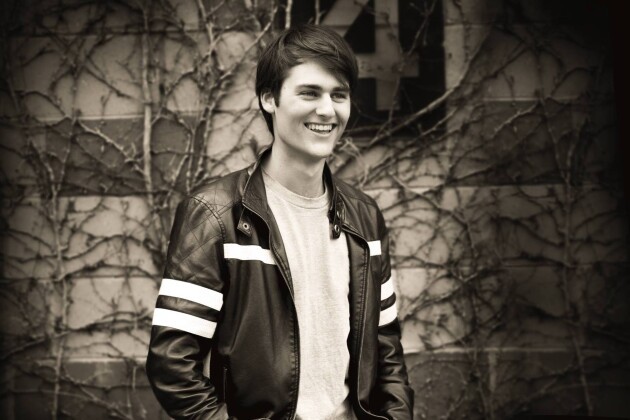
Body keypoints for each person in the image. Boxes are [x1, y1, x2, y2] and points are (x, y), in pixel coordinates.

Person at [146, 23, 413, 420]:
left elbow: (386, 346)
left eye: (339, 94)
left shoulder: (365, 216)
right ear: (269, 98)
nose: (327, 110)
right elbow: (171, 365)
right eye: (310, 92)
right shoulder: (216, 213)